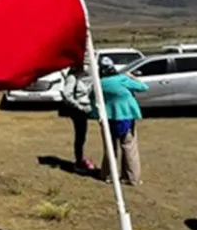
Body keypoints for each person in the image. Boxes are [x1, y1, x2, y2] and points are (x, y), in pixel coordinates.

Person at [93, 55, 146, 185]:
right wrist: (132, 77)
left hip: (108, 118)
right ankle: (131, 177)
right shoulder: (122, 79)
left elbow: (94, 100)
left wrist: (97, 115)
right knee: (129, 147)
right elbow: (144, 87)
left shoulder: (99, 84)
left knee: (110, 147)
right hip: (126, 117)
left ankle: (108, 174)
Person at [60, 59, 96, 173]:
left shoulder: (88, 77)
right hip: (77, 110)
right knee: (80, 135)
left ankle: (80, 159)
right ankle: (78, 162)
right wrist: (78, 106)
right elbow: (67, 94)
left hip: (86, 108)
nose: (87, 67)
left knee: (83, 135)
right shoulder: (72, 77)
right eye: (85, 64)